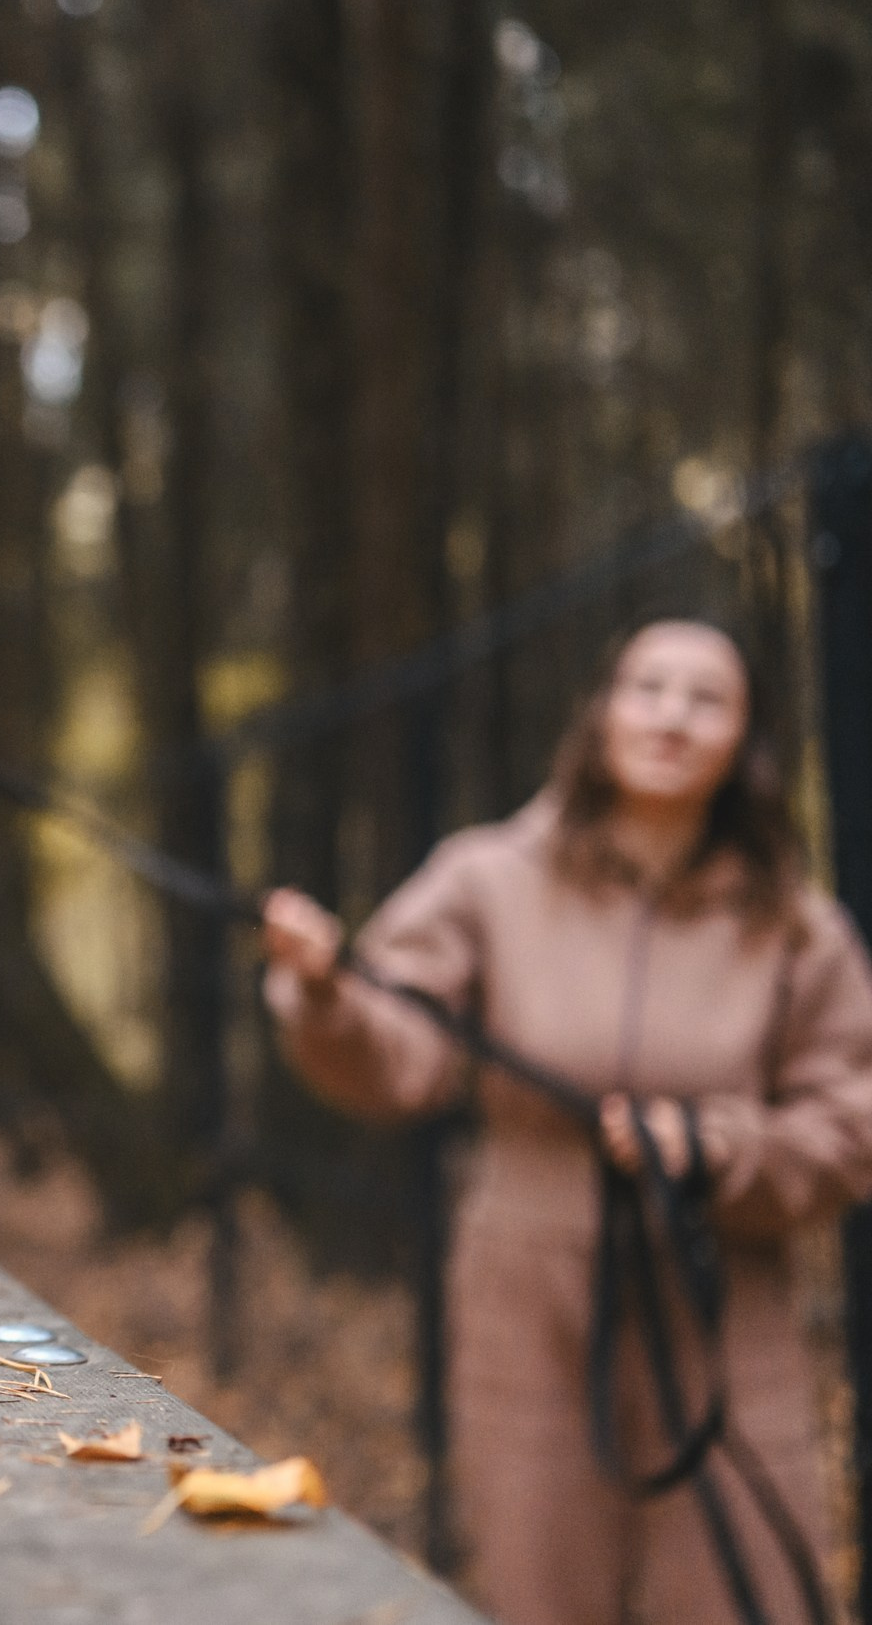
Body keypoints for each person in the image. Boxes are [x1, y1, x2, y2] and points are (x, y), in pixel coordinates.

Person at [260, 618, 872, 1625]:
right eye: (648, 688)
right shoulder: (487, 876)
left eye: (706, 699)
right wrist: (324, 992)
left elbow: (850, 1124)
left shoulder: (798, 926)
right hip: (526, 1300)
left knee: (745, 1591)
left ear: (745, 740)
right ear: (601, 713)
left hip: (724, 1302)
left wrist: (717, 1147)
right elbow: (400, 1053)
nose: (671, 718)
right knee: (542, 1591)